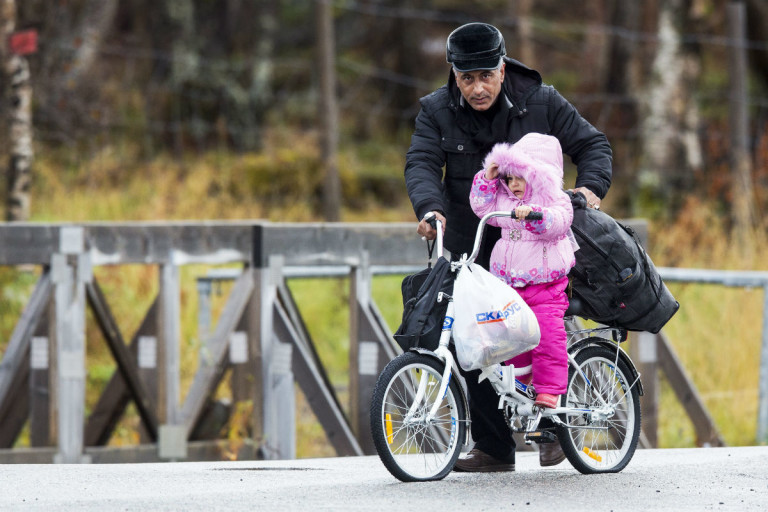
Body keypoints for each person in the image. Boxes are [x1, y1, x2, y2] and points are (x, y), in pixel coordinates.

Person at [404, 21, 612, 472]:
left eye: (486, 76)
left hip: (538, 244)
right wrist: (429, 209)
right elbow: (421, 162)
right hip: (474, 240)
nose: (477, 88)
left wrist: (589, 190)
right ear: (454, 74)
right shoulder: (436, 110)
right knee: (474, 336)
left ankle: (553, 429)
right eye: (467, 79)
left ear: (502, 68)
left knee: (541, 331)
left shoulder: (542, 101)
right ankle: (493, 447)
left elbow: (593, 145)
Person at [469, 134, 574, 411]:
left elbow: (559, 222)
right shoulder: (504, 201)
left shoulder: (555, 200)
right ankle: (521, 380)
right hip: (510, 286)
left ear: (539, 177)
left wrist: (537, 216)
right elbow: (481, 206)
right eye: (509, 178)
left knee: (547, 335)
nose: (513, 185)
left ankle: (549, 389)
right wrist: (488, 178)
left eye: (521, 178)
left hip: (545, 287)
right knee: (512, 336)